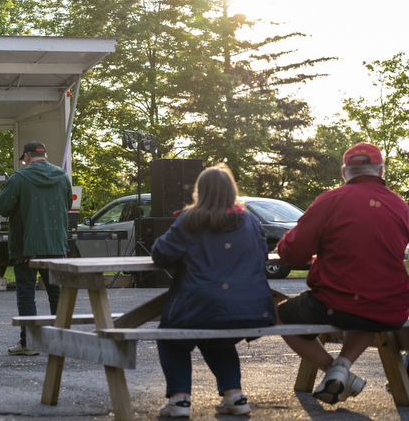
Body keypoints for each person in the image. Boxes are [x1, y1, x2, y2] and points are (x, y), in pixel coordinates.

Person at [276, 142, 409, 405]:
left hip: (336, 301)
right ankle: (341, 367)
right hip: (389, 307)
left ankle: (333, 371)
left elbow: (291, 253)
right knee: (366, 311)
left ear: (344, 172)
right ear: (381, 170)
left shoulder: (331, 200)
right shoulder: (401, 206)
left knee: (281, 315)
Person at [152, 164, 274, 417]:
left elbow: (162, 254)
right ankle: (234, 397)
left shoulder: (191, 219)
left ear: (200, 191)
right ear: (232, 190)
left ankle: (179, 400)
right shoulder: (251, 220)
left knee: (171, 338)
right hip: (251, 308)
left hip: (200, 305)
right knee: (217, 340)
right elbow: (262, 254)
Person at [0, 141, 72, 356]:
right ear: (44, 156)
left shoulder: (19, 177)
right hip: (55, 245)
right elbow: (68, 204)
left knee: (27, 294)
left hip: (26, 246)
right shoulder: (62, 176)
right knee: (56, 294)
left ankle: (28, 343)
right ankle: (61, 343)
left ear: (26, 157)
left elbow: (2, 207)